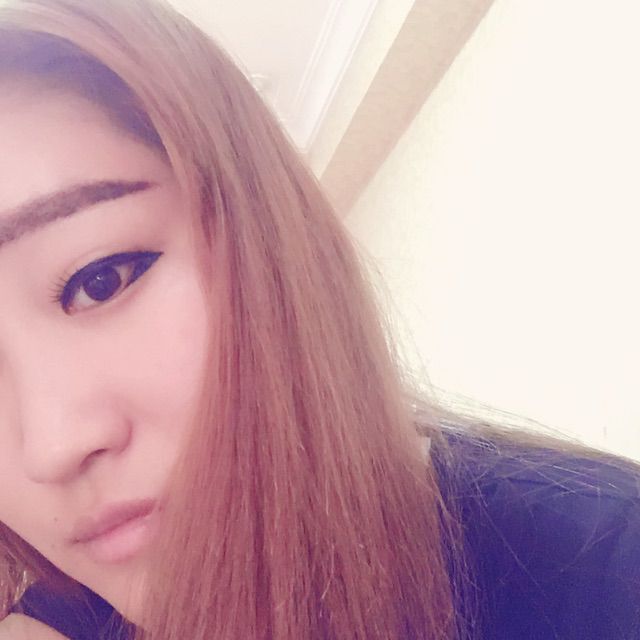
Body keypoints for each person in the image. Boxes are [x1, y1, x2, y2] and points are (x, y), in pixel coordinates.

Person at [0, 1, 638, 639]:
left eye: (100, 280)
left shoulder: (605, 574)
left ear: (272, 237)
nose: (51, 449)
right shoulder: (59, 614)